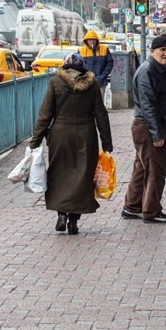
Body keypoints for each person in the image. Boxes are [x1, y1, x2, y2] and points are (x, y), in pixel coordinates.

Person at [29, 53, 112, 235]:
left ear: (65, 66)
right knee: (82, 176)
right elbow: (101, 114)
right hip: (86, 135)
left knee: (59, 174)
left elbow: (45, 114)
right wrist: (107, 144)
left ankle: (61, 215)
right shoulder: (92, 85)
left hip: (60, 136)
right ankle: (74, 221)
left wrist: (35, 141)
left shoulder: (55, 83)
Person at [123, 35, 166, 223]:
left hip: (149, 126)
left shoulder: (156, 69)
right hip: (148, 127)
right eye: (162, 50)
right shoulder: (148, 70)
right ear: (153, 51)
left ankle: (132, 206)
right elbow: (148, 105)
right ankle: (151, 211)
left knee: (141, 168)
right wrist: (157, 133)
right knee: (156, 170)